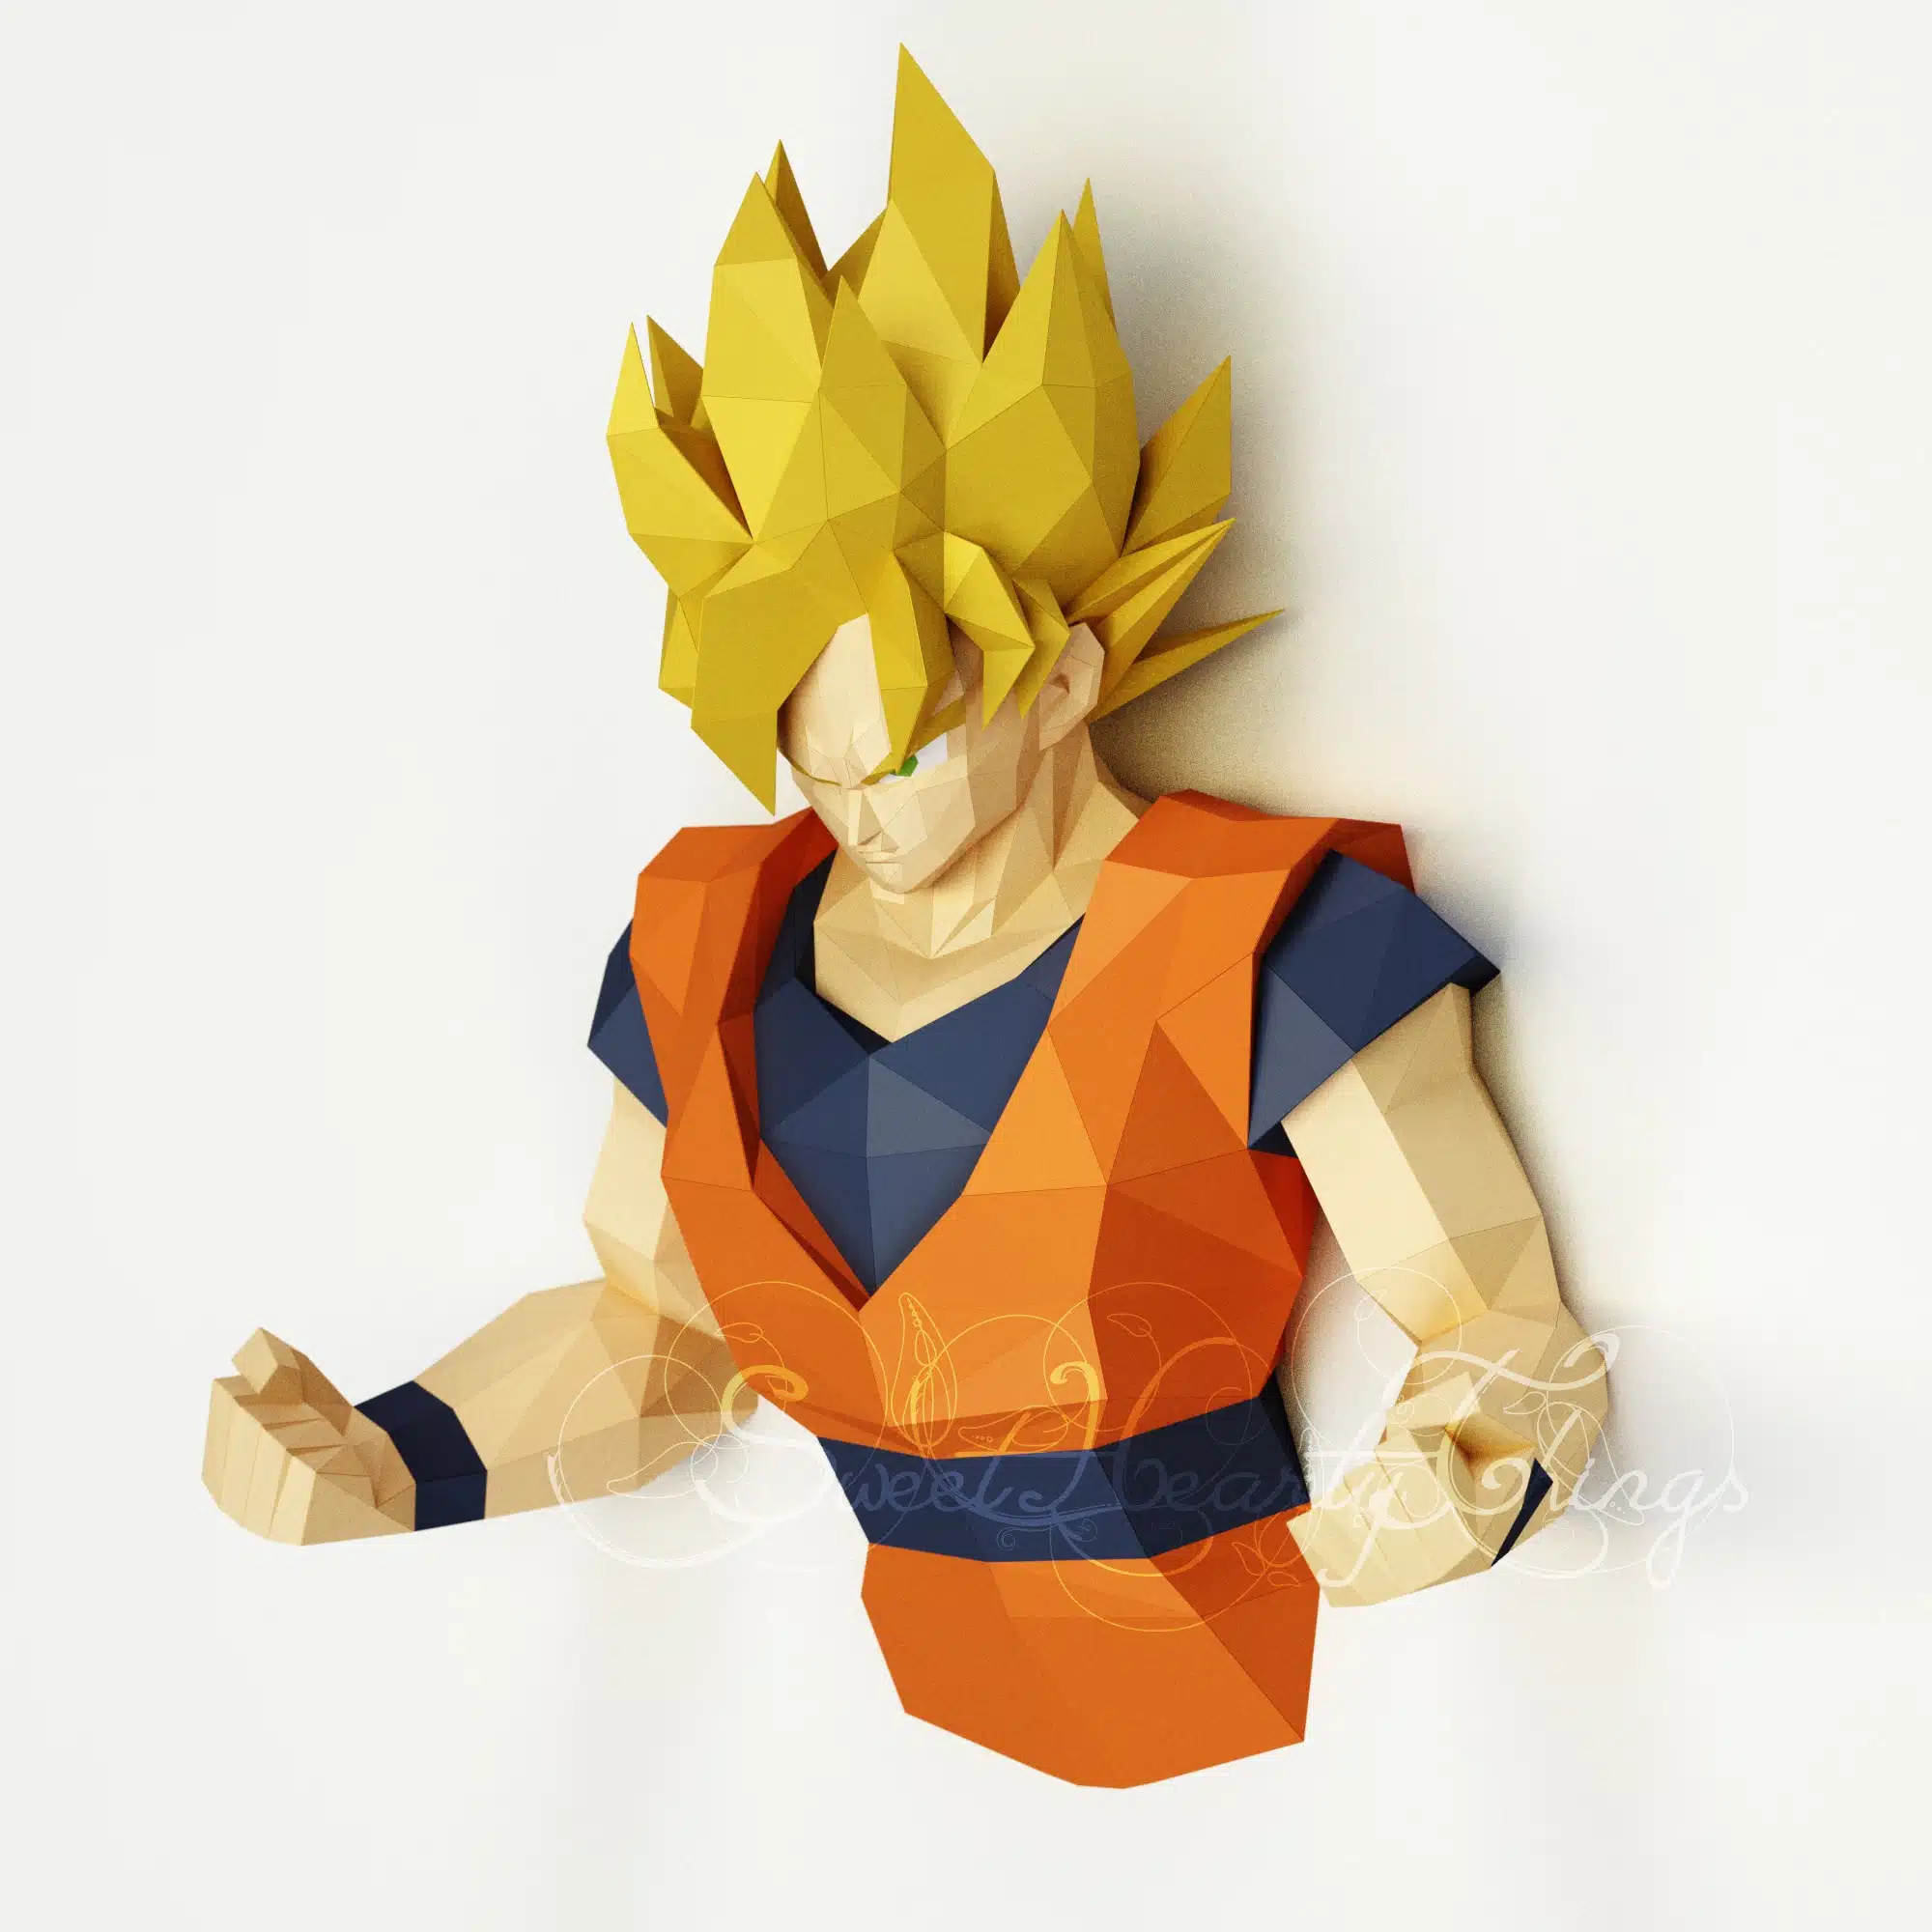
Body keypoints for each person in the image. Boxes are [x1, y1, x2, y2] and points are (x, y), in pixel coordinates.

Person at [203, 50, 1607, 1787]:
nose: (859, 813)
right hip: (882, 1735)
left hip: (1276, 1723)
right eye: (810, 762)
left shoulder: (1276, 939)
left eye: (907, 752)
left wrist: (1472, 1463)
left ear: (1062, 679)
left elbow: (1505, 1321)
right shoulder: (705, 945)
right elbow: (659, 1335)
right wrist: (390, 1461)